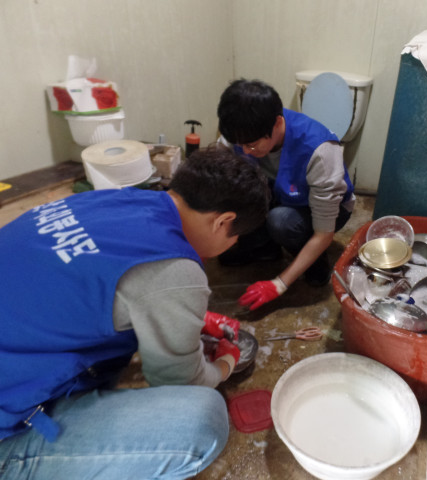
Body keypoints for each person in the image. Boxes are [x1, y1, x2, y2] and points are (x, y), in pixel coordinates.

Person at [0, 146, 269, 479]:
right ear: (223, 221)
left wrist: (188, 317)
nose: (234, 243)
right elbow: (181, 382)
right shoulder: (175, 270)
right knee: (203, 418)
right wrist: (226, 362)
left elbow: (89, 286)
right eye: (237, 236)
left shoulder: (114, 200)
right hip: (7, 423)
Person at [216, 78, 355, 311]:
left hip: (326, 210)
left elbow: (324, 233)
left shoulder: (319, 151)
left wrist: (279, 284)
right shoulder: (242, 134)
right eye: (241, 145)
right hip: (280, 191)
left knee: (280, 221)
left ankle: (315, 261)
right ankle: (266, 249)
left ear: (278, 123)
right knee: (231, 195)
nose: (246, 151)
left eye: (252, 145)